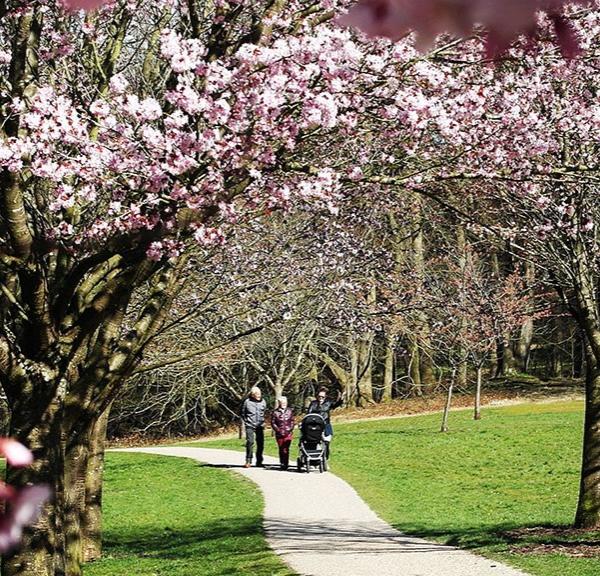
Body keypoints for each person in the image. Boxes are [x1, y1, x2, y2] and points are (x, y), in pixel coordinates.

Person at [307, 386, 342, 458]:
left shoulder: (328, 403)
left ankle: (325, 459)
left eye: (323, 397)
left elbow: (335, 404)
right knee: (313, 441)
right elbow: (309, 413)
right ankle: (313, 457)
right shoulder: (313, 403)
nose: (321, 398)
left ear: (325, 397)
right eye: (319, 396)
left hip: (326, 424)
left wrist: (340, 398)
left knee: (326, 442)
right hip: (316, 425)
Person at [241, 386, 266, 468]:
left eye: (259, 393)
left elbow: (264, 411)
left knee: (260, 444)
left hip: (260, 425)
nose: (258, 395)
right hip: (250, 425)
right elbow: (242, 413)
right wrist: (247, 421)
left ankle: (259, 461)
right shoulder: (247, 402)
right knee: (250, 442)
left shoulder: (263, 402)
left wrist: (262, 421)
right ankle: (248, 460)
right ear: (252, 395)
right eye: (256, 394)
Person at [270, 396, 295, 470]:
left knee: (286, 448)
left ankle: (286, 463)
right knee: (281, 448)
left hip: (288, 433)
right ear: (279, 403)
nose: (284, 404)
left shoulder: (290, 411)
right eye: (282, 403)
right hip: (279, 433)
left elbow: (292, 421)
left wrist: (290, 428)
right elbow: (273, 423)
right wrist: (278, 430)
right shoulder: (275, 412)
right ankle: (282, 463)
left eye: (285, 403)